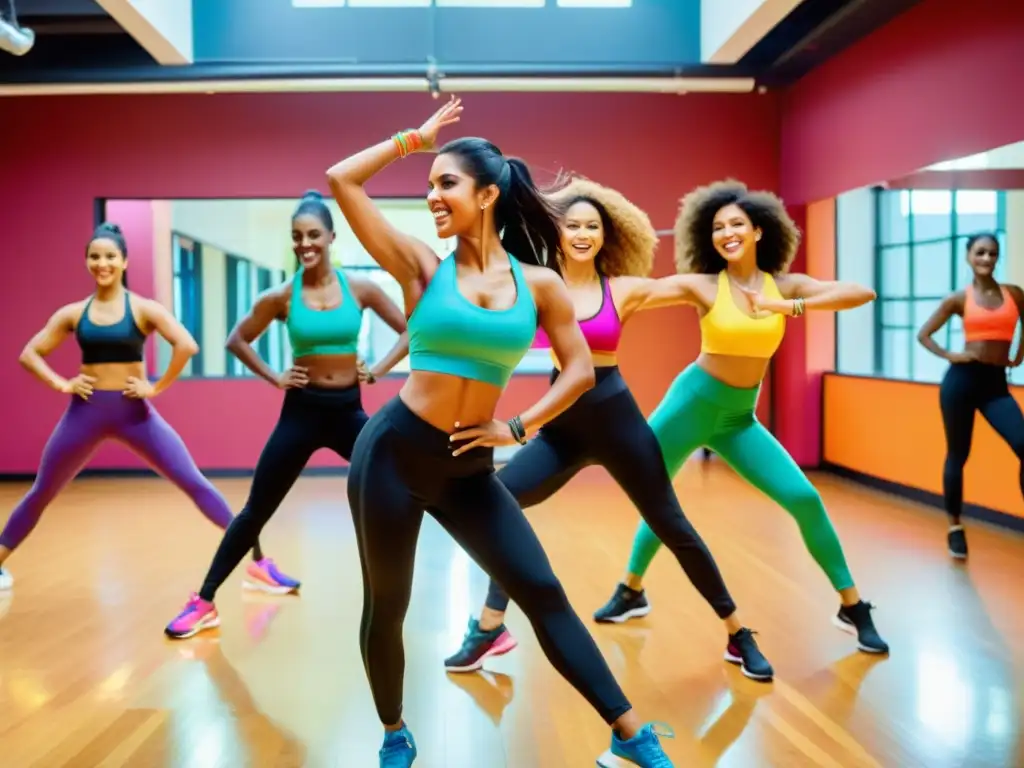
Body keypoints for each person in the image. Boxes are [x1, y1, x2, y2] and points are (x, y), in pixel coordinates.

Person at [328, 97, 674, 768]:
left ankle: (629, 732)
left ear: (487, 194)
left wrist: (516, 426)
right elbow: (342, 179)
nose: (431, 195)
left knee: (541, 590)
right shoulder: (422, 266)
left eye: (445, 182)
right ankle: (395, 732)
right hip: (393, 455)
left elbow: (579, 371)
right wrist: (416, 140)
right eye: (429, 185)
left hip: (469, 468)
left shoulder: (539, 284)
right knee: (387, 605)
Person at [443, 177, 773, 682]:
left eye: (592, 226)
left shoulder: (624, 290)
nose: (582, 233)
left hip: (620, 427)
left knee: (673, 526)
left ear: (606, 236)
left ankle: (737, 632)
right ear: (558, 233)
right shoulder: (537, 287)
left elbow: (691, 288)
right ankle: (491, 627)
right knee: (498, 504)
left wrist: (748, 281)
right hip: (561, 433)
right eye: (572, 224)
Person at [597, 179, 890, 656]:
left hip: (738, 418)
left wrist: (786, 305)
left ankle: (852, 606)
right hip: (688, 406)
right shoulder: (706, 285)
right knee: (657, 498)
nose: (727, 233)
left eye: (736, 224)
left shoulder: (785, 285)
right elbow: (644, 293)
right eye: (717, 227)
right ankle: (632, 589)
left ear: (759, 231)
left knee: (805, 499)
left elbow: (862, 292)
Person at [164, 191, 409, 639]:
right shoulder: (279, 296)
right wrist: (275, 376)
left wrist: (376, 369)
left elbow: (411, 331)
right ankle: (204, 600)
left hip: (348, 411)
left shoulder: (362, 288)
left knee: (393, 484)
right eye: (297, 237)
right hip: (300, 414)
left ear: (332, 237)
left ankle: (390, 597)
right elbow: (237, 339)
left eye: (314, 234)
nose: (305, 244)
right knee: (257, 509)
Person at [0, 223, 274, 592]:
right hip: (85, 413)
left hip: (136, 416)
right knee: (42, 490)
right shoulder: (74, 313)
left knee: (193, 482)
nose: (103, 263)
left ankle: (259, 564)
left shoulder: (143, 309)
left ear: (124, 260)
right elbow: (29, 353)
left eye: (110, 256)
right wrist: (63, 383)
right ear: (87, 262)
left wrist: (155, 386)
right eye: (95, 257)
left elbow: (186, 345)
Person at [917, 233, 1024, 560]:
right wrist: (952, 355)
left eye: (992, 254)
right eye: (980, 253)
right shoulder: (958, 299)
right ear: (969, 257)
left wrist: (1018, 356)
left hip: (995, 385)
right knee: (958, 454)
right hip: (961, 383)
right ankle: (954, 526)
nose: (987, 259)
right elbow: (924, 334)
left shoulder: (1015, 294)